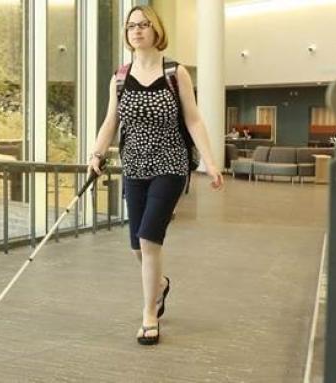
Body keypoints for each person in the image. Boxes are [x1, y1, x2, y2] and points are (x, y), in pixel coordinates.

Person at [87, 5, 223, 346]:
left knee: (149, 239)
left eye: (144, 24)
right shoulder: (119, 77)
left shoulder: (175, 72)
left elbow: (193, 119)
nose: (137, 30)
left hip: (170, 164)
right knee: (136, 245)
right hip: (133, 166)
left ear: (156, 30)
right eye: (132, 25)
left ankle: (149, 315)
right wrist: (96, 154)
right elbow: (110, 122)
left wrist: (210, 160)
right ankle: (160, 284)